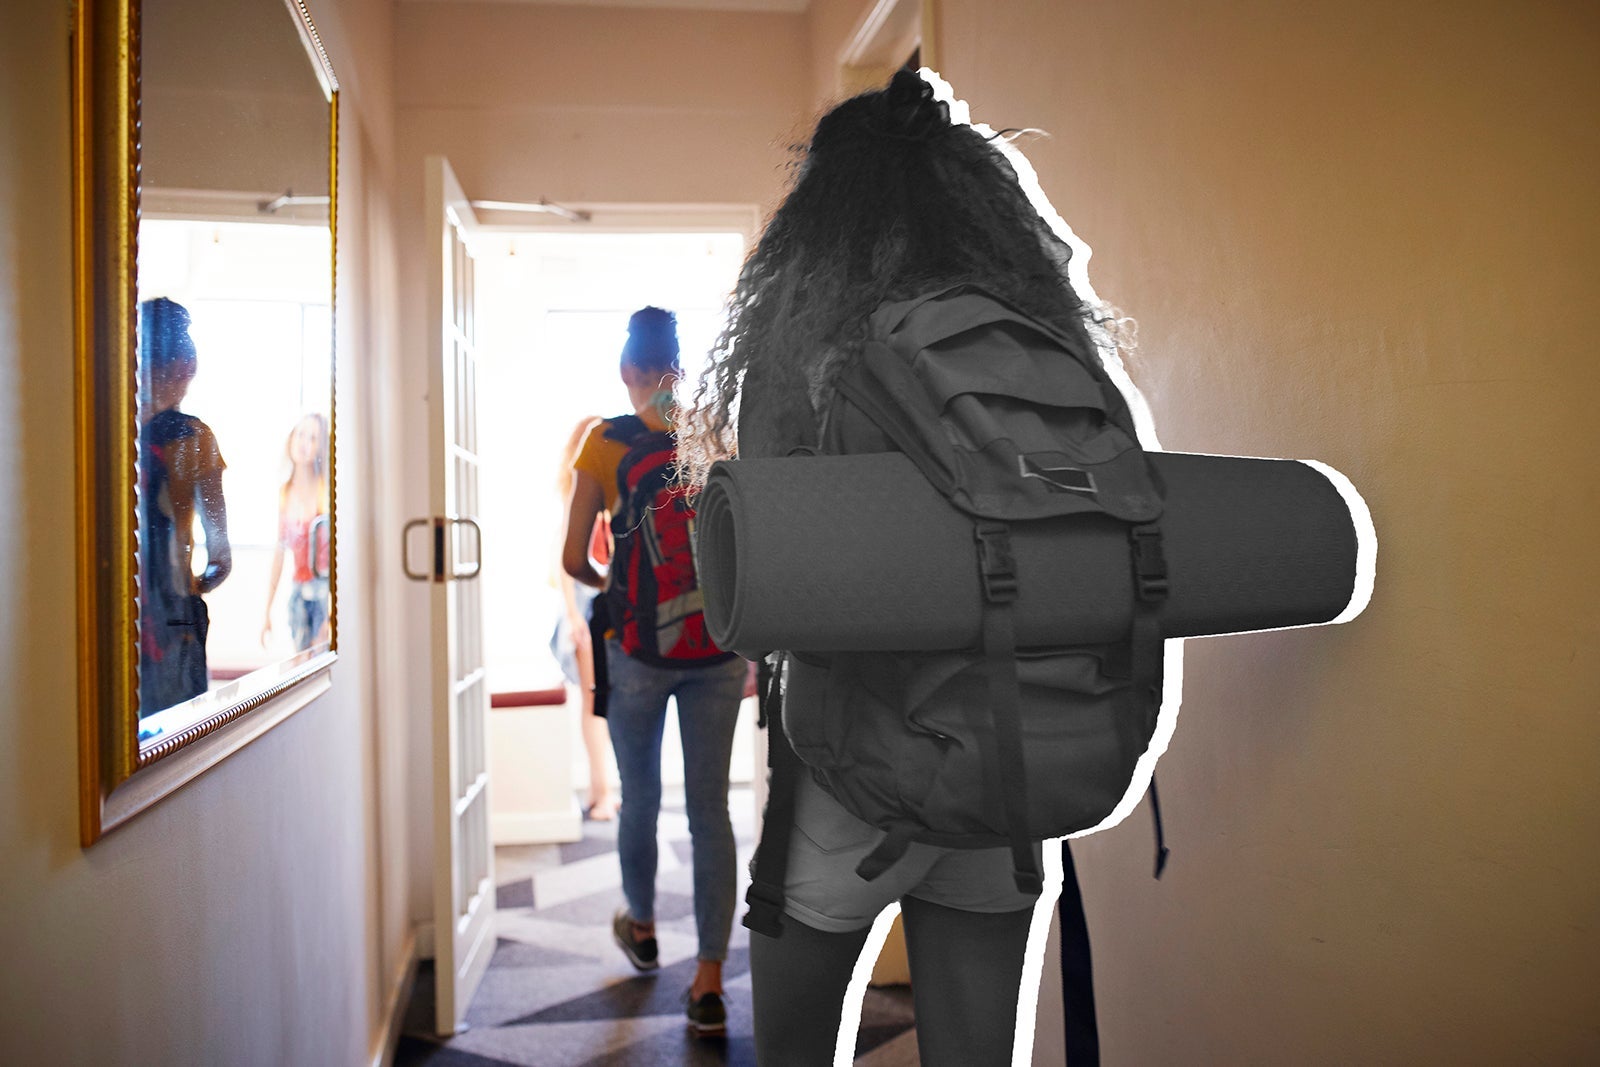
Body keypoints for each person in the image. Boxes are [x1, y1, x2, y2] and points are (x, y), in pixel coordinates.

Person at [679, 71, 1107, 1065]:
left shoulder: (801, 330)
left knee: (796, 1051)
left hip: (847, 768)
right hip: (1008, 752)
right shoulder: (1029, 325)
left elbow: (772, 565)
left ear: (824, 205)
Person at [561, 307, 748, 1036]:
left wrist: (617, 584)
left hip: (637, 651)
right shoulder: (714, 432)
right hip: (717, 649)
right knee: (711, 812)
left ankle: (641, 927)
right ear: (678, 365)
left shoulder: (604, 442)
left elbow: (572, 557)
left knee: (639, 798)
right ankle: (709, 980)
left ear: (627, 370)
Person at [138, 296, 232, 716]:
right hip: (174, 618)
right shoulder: (196, 438)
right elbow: (221, 558)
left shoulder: (103, 431)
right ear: (186, 368)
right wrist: (193, 585)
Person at [552, 415, 619, 821]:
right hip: (585, 602)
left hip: (602, 598)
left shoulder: (609, 488)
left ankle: (601, 790)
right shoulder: (576, 494)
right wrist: (574, 615)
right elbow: (565, 561)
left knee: (603, 697)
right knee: (595, 698)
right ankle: (602, 791)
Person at [260, 412, 331, 653]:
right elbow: (279, 554)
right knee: (301, 659)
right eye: (300, 434)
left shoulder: (325, 491)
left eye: (312, 438)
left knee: (321, 659)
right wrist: (267, 611)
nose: (304, 443)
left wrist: (333, 609)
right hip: (298, 594)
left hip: (323, 594)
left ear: (320, 446)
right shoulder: (285, 492)